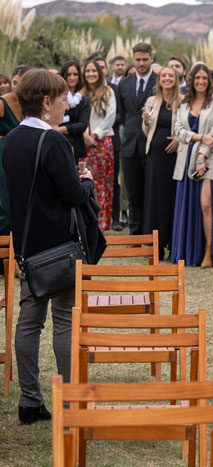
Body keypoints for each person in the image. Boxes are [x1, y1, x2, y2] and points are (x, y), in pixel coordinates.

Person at [3, 69, 95, 425]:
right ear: (45, 102)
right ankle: (68, 401)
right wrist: (86, 183)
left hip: (26, 243)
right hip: (59, 245)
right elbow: (72, 194)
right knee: (63, 321)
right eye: (60, 101)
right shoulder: (57, 143)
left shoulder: (11, 139)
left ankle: (29, 400)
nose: (64, 108)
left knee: (28, 321)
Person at [171, 64, 213, 268]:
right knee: (187, 204)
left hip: (209, 158)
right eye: (197, 78)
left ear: (210, 81)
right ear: (192, 80)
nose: (201, 82)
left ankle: (209, 251)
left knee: (206, 204)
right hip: (185, 158)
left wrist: (202, 157)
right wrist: (199, 136)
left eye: (205, 78)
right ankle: (186, 251)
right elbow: (178, 132)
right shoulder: (183, 103)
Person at [141, 66, 182, 260]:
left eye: (170, 76)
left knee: (173, 199)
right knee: (155, 200)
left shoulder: (182, 101)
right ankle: (156, 246)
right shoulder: (152, 101)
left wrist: (179, 140)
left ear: (177, 79)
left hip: (175, 157)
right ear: (159, 80)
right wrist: (146, 121)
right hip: (156, 157)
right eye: (163, 75)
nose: (167, 79)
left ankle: (172, 242)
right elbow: (147, 130)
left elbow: (187, 125)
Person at [116, 42, 157, 235]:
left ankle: (150, 234)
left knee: (150, 192)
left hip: (151, 145)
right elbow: (122, 115)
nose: (141, 63)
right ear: (133, 59)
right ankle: (134, 233)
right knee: (133, 193)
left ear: (151, 59)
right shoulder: (124, 83)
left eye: (145, 59)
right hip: (129, 146)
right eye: (138, 59)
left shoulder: (159, 82)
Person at [81, 58, 117, 231]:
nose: (91, 74)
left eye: (94, 71)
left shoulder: (108, 92)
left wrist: (94, 135)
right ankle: (87, 220)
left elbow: (110, 117)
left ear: (100, 72)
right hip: (83, 142)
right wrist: (84, 136)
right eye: (87, 71)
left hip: (101, 142)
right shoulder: (79, 93)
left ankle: (102, 222)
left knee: (102, 182)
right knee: (85, 180)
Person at [0, 65, 30, 235]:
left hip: (25, 156)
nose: (17, 87)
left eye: (22, 83)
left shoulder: (32, 104)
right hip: (4, 156)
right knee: (7, 208)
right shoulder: (3, 102)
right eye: (14, 83)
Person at [58, 60, 90, 163]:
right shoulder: (56, 97)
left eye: (75, 74)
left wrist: (60, 129)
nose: (72, 78)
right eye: (69, 74)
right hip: (57, 142)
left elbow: (82, 125)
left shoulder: (83, 100)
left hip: (75, 145)